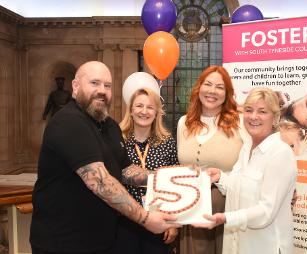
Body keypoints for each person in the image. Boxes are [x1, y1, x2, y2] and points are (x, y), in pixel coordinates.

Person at [30, 61, 179, 254]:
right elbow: (99, 181)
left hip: (102, 242)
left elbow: (126, 171)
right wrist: (145, 218)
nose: (102, 90)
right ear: (75, 86)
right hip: (63, 243)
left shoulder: (110, 126)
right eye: (94, 83)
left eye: (107, 86)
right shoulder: (68, 121)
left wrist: (181, 178)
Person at [197, 87, 297, 254]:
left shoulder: (281, 154)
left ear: (275, 118)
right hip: (238, 245)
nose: (253, 117)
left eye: (262, 111)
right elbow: (240, 189)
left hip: (266, 247)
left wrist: (226, 218)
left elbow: (266, 211)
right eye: (249, 110)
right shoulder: (247, 147)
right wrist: (220, 177)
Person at [177, 66, 243, 254]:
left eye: (220, 87)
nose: (212, 91)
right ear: (199, 88)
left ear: (227, 93)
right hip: (190, 208)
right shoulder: (184, 122)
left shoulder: (240, 123)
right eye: (208, 84)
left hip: (226, 208)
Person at [115, 87, 179, 254]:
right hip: (124, 221)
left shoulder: (167, 142)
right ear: (130, 110)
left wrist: (172, 224)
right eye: (139, 106)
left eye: (150, 107)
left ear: (157, 112)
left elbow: (173, 184)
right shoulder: (117, 139)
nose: (144, 111)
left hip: (158, 220)